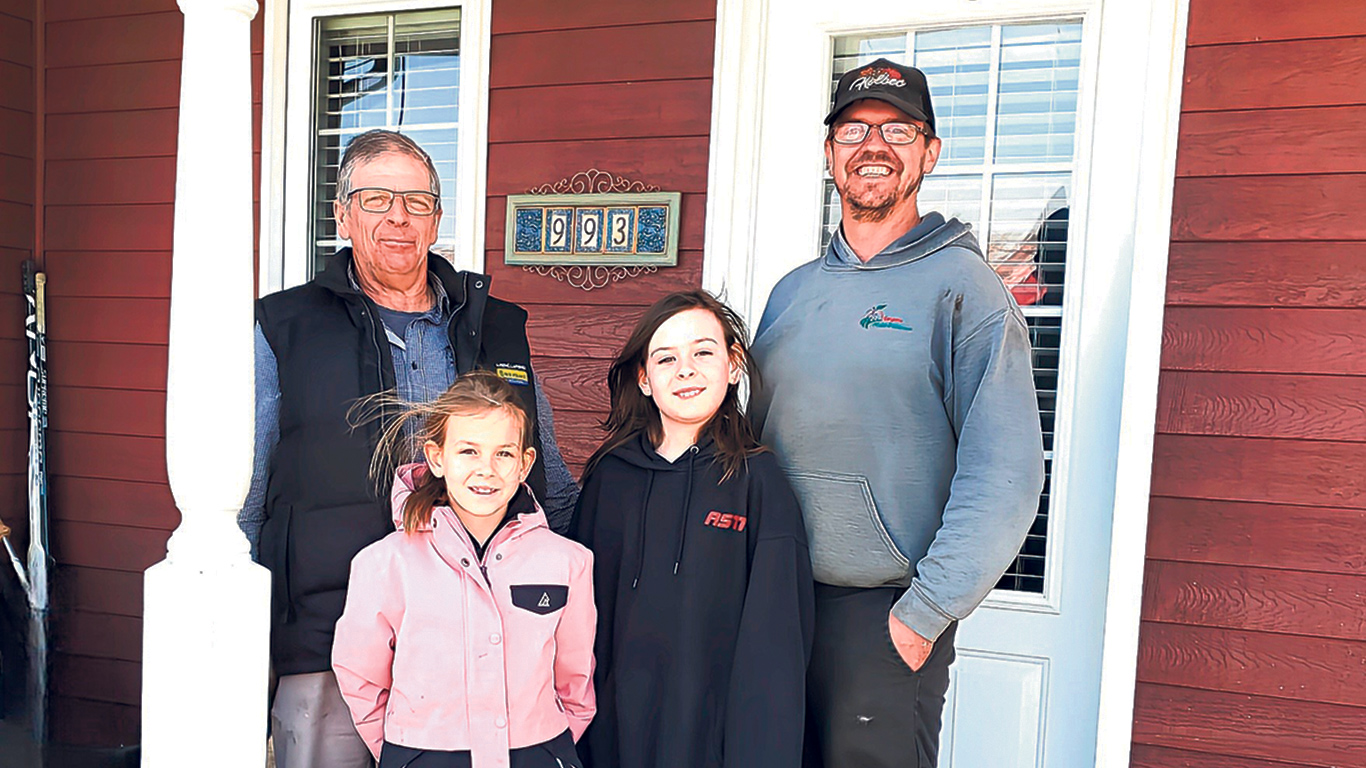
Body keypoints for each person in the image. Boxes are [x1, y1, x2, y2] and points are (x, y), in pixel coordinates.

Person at [236, 129, 580, 768]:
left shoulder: (496, 326)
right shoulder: (284, 326)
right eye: (375, 198)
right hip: (326, 635)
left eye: (417, 202)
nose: (398, 216)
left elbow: (546, 470)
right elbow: (247, 489)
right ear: (341, 214)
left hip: (478, 641)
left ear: (437, 219)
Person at [749, 59, 1045, 768]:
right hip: (777, 603)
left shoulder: (965, 291)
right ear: (829, 156)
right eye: (853, 129)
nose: (872, 145)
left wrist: (923, 616)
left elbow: (1005, 473)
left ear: (929, 152)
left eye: (897, 129)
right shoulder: (791, 293)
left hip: (881, 616)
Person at [571, 290, 815, 768]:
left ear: (734, 364)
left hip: (714, 740)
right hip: (614, 735)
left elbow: (777, 646)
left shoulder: (757, 481)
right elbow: (579, 622)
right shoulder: (610, 477)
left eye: (703, 352)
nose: (686, 370)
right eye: (666, 358)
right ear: (644, 379)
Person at [332, 371, 595, 768]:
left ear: (525, 464)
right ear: (437, 457)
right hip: (424, 755)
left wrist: (548, 750)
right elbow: (361, 677)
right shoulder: (385, 563)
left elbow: (575, 680)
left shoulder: (568, 562)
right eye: (468, 451)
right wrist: (406, 754)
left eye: (503, 453)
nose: (486, 469)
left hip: (537, 753)